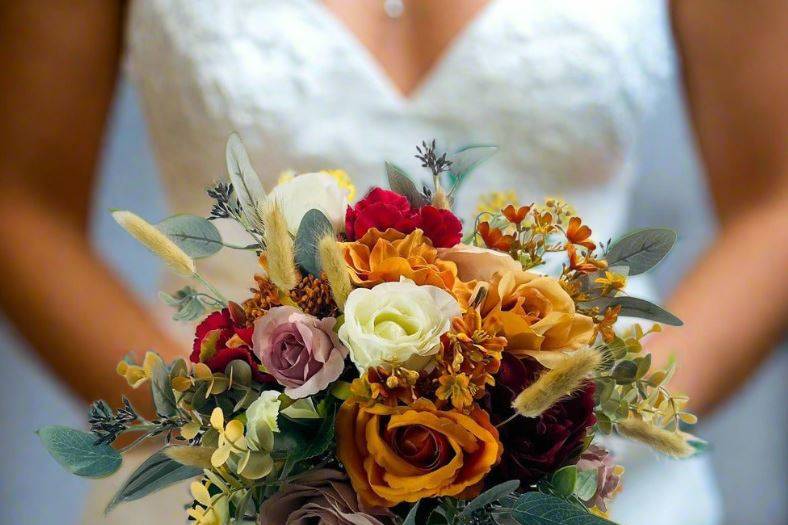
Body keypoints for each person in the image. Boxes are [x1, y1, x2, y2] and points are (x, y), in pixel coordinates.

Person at [0, 1, 785, 523]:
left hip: (598, 490)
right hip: (224, 490)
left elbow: (775, 203)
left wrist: (599, 431)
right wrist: (244, 450)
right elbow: (19, 203)